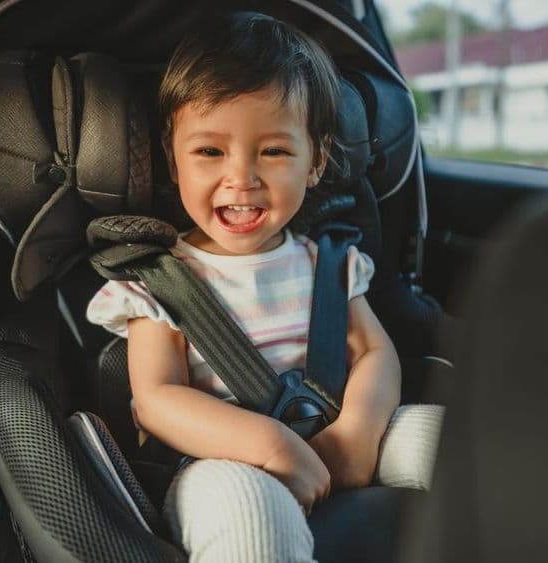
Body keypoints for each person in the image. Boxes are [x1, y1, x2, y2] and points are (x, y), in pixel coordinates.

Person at [87, 12, 443, 562]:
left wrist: (356, 433)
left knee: (461, 444)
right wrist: (269, 444)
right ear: (173, 160)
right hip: (219, 462)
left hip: (337, 427)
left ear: (316, 161)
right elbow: (157, 398)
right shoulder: (158, 279)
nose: (242, 177)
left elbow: (374, 351)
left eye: (273, 152)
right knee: (250, 516)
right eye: (210, 152)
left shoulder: (330, 263)